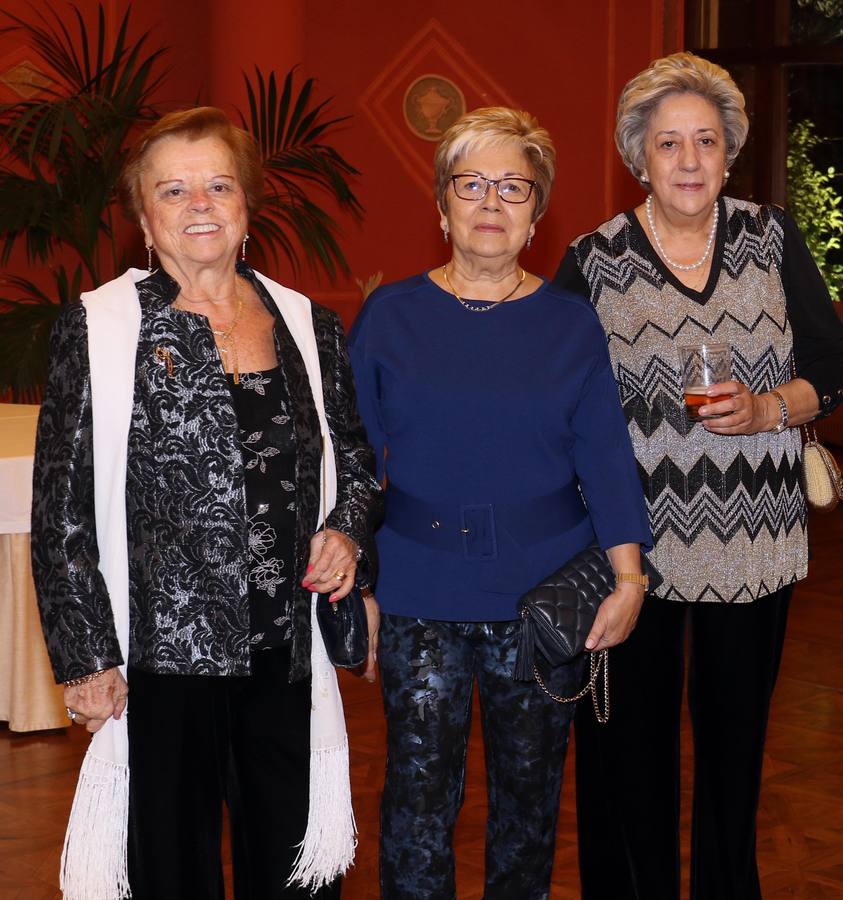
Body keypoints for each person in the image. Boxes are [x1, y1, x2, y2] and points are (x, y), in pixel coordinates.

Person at [32, 106, 382, 899]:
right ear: (144, 217)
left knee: (290, 869)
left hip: (284, 650)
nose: (199, 204)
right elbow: (61, 509)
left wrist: (346, 532)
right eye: (175, 189)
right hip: (162, 658)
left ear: (247, 208)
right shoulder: (99, 328)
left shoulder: (306, 323)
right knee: (170, 868)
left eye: (218, 186)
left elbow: (356, 462)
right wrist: (85, 657)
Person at [553, 52, 843, 900]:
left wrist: (767, 409)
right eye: (667, 144)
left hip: (753, 546)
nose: (688, 161)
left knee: (734, 755)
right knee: (628, 757)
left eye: (706, 142)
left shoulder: (771, 238)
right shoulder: (592, 260)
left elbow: (834, 370)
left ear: (729, 153)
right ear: (635, 157)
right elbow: (558, 404)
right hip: (629, 554)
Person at [347, 106, 653, 899]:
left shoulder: (571, 323)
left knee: (528, 803)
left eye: (512, 187)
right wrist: (364, 585)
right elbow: (350, 461)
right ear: (440, 205)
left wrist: (630, 579)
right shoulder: (390, 314)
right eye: (471, 184)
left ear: (538, 212)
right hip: (419, 591)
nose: (490, 203)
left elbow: (606, 456)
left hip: (543, 597)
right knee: (416, 800)